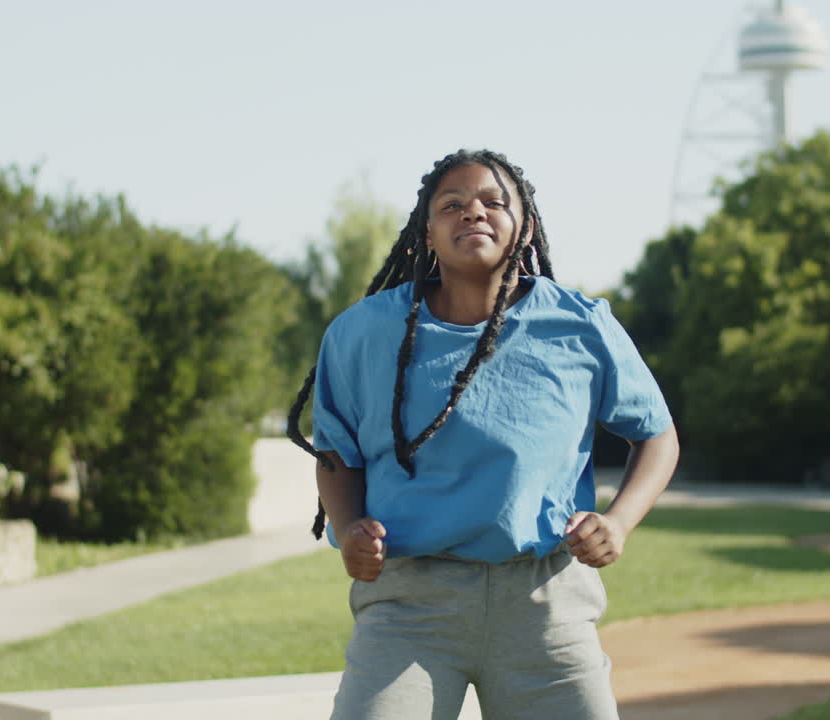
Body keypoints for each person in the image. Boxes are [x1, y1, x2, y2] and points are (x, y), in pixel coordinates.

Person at [286, 149, 679, 720]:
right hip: (408, 610)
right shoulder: (361, 332)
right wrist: (348, 529)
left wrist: (618, 522)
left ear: (527, 227)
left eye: (495, 202)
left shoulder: (581, 325)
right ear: (427, 231)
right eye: (453, 205)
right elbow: (335, 450)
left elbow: (658, 436)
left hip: (545, 608)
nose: (474, 213)